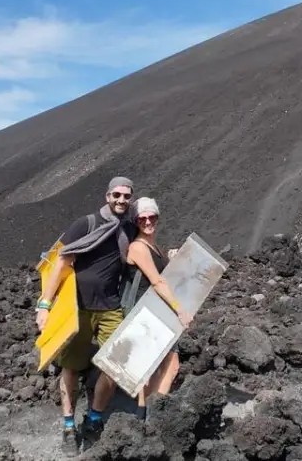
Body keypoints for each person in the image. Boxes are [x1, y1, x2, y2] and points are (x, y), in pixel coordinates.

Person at [35, 176, 138, 455]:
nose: (121, 200)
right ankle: (69, 426)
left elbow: (143, 250)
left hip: (111, 308)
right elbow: (62, 261)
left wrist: (170, 254)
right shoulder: (86, 224)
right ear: (107, 196)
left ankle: (94, 418)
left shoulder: (129, 228)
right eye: (117, 195)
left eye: (126, 196)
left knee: (114, 366)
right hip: (78, 307)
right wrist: (44, 305)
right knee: (71, 367)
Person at [122, 197, 193, 420]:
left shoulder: (154, 247)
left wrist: (172, 259)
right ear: (136, 221)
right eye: (142, 218)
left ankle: (146, 416)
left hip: (156, 312)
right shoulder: (138, 247)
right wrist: (180, 310)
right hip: (146, 315)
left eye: (151, 216)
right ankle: (151, 416)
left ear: (157, 217)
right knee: (164, 366)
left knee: (161, 366)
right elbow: (157, 281)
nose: (147, 221)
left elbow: (164, 276)